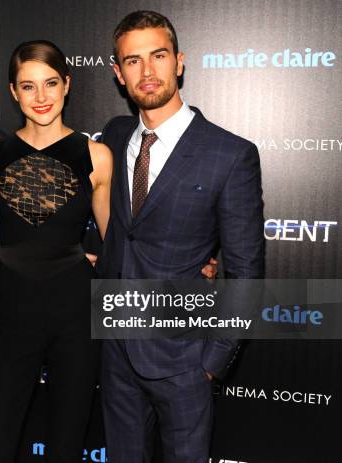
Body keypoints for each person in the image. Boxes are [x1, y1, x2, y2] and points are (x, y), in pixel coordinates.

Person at [98, 11, 265, 462]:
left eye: (158, 56)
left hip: (184, 362)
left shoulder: (229, 155)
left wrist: (211, 364)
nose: (147, 72)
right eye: (132, 61)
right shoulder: (113, 138)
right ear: (117, 73)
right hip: (115, 354)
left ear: (180, 62)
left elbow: (247, 273)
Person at [0, 40, 113, 462]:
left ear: (67, 85)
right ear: (13, 92)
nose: (41, 97)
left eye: (50, 83)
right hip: (10, 311)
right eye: (28, 86)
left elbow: (117, 242)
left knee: (67, 441)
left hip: (74, 313)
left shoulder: (96, 156)